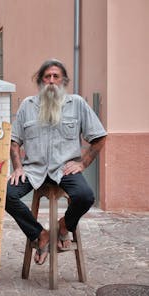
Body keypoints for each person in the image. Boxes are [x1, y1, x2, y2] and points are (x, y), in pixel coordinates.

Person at [6, 59, 107, 265]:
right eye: (47, 77)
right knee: (6, 195)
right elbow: (14, 141)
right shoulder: (28, 105)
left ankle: (63, 227)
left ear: (64, 81)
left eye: (56, 76)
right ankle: (39, 235)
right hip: (34, 169)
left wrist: (83, 164)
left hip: (65, 169)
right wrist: (17, 167)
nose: (51, 81)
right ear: (41, 81)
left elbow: (99, 137)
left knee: (86, 196)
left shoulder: (77, 104)